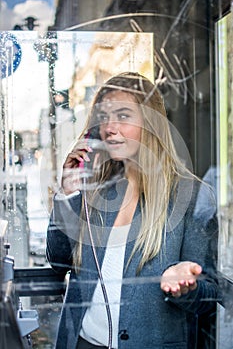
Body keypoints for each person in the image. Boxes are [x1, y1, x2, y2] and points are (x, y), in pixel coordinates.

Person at [46, 72, 218, 349]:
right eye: (104, 117)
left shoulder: (191, 196)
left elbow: (210, 297)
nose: (110, 127)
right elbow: (59, 261)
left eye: (123, 116)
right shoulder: (96, 190)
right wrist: (66, 195)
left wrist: (188, 287)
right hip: (82, 342)